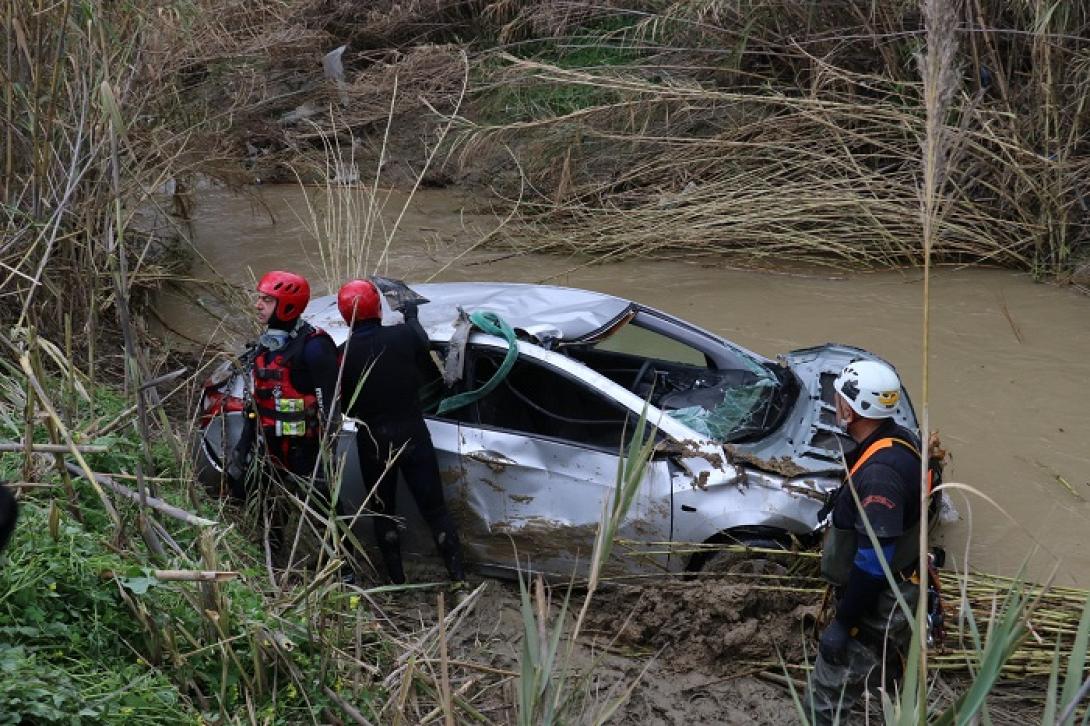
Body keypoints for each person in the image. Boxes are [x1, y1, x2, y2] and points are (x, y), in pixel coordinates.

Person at [805, 359, 924, 725]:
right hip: (901, 587)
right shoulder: (901, 439)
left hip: (877, 604)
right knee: (889, 674)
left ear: (851, 409)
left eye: (839, 398)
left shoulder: (880, 476)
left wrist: (843, 625)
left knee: (826, 694)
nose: (835, 403)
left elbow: (873, 564)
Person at [336, 279, 466, 589]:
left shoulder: (341, 355)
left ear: (344, 317)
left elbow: (344, 407)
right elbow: (423, 348)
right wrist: (410, 314)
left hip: (373, 443)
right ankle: (458, 580)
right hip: (413, 433)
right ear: (379, 309)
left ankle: (396, 583)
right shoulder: (404, 336)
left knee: (383, 515)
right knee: (435, 511)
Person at [247, 270, 339, 552]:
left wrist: (326, 455)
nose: (257, 304)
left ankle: (341, 571)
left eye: (266, 300)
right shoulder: (268, 344)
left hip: (306, 450)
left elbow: (331, 409)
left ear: (287, 306)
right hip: (272, 447)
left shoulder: (314, 348)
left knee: (324, 511)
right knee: (270, 506)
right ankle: (272, 561)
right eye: (259, 298)